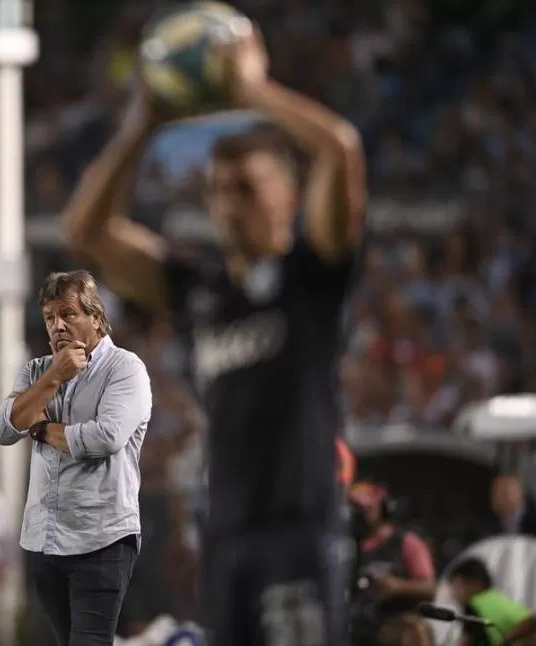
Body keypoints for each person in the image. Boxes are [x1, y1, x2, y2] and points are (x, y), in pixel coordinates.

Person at [61, 21, 364, 646]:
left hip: (298, 529)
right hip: (226, 535)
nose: (230, 204)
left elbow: (340, 147)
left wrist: (255, 91)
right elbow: (86, 230)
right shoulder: (201, 290)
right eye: (220, 192)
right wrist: (144, 124)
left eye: (247, 189)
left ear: (289, 195)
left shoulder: (310, 275)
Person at [0, 270, 152, 646]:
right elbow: (2, 429)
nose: (58, 325)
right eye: (50, 317)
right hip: (44, 539)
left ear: (95, 316)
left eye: (68, 314)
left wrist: (42, 430)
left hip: (103, 539)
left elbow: (104, 437)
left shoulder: (126, 369)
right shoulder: (36, 371)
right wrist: (53, 379)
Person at [348, 482, 435, 646]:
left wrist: (397, 586)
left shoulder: (406, 542)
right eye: (355, 509)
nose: (359, 515)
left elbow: (429, 588)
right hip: (354, 623)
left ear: (384, 509)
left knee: (414, 630)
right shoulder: (343, 545)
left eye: (367, 509)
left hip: (394, 621)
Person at [447, 557, 532, 646]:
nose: (453, 594)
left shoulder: (475, 605)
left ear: (476, 583)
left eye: (456, 586)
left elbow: (465, 643)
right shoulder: (500, 599)